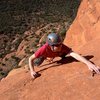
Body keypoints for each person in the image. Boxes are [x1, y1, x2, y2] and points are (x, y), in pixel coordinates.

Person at [29, 33, 100, 79]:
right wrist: (32, 71)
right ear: (51, 46)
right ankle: (45, 57)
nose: (60, 46)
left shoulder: (62, 47)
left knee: (64, 55)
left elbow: (74, 54)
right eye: (57, 45)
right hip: (46, 54)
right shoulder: (44, 49)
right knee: (37, 63)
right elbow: (30, 59)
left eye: (60, 44)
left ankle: (53, 56)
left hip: (57, 54)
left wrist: (89, 63)